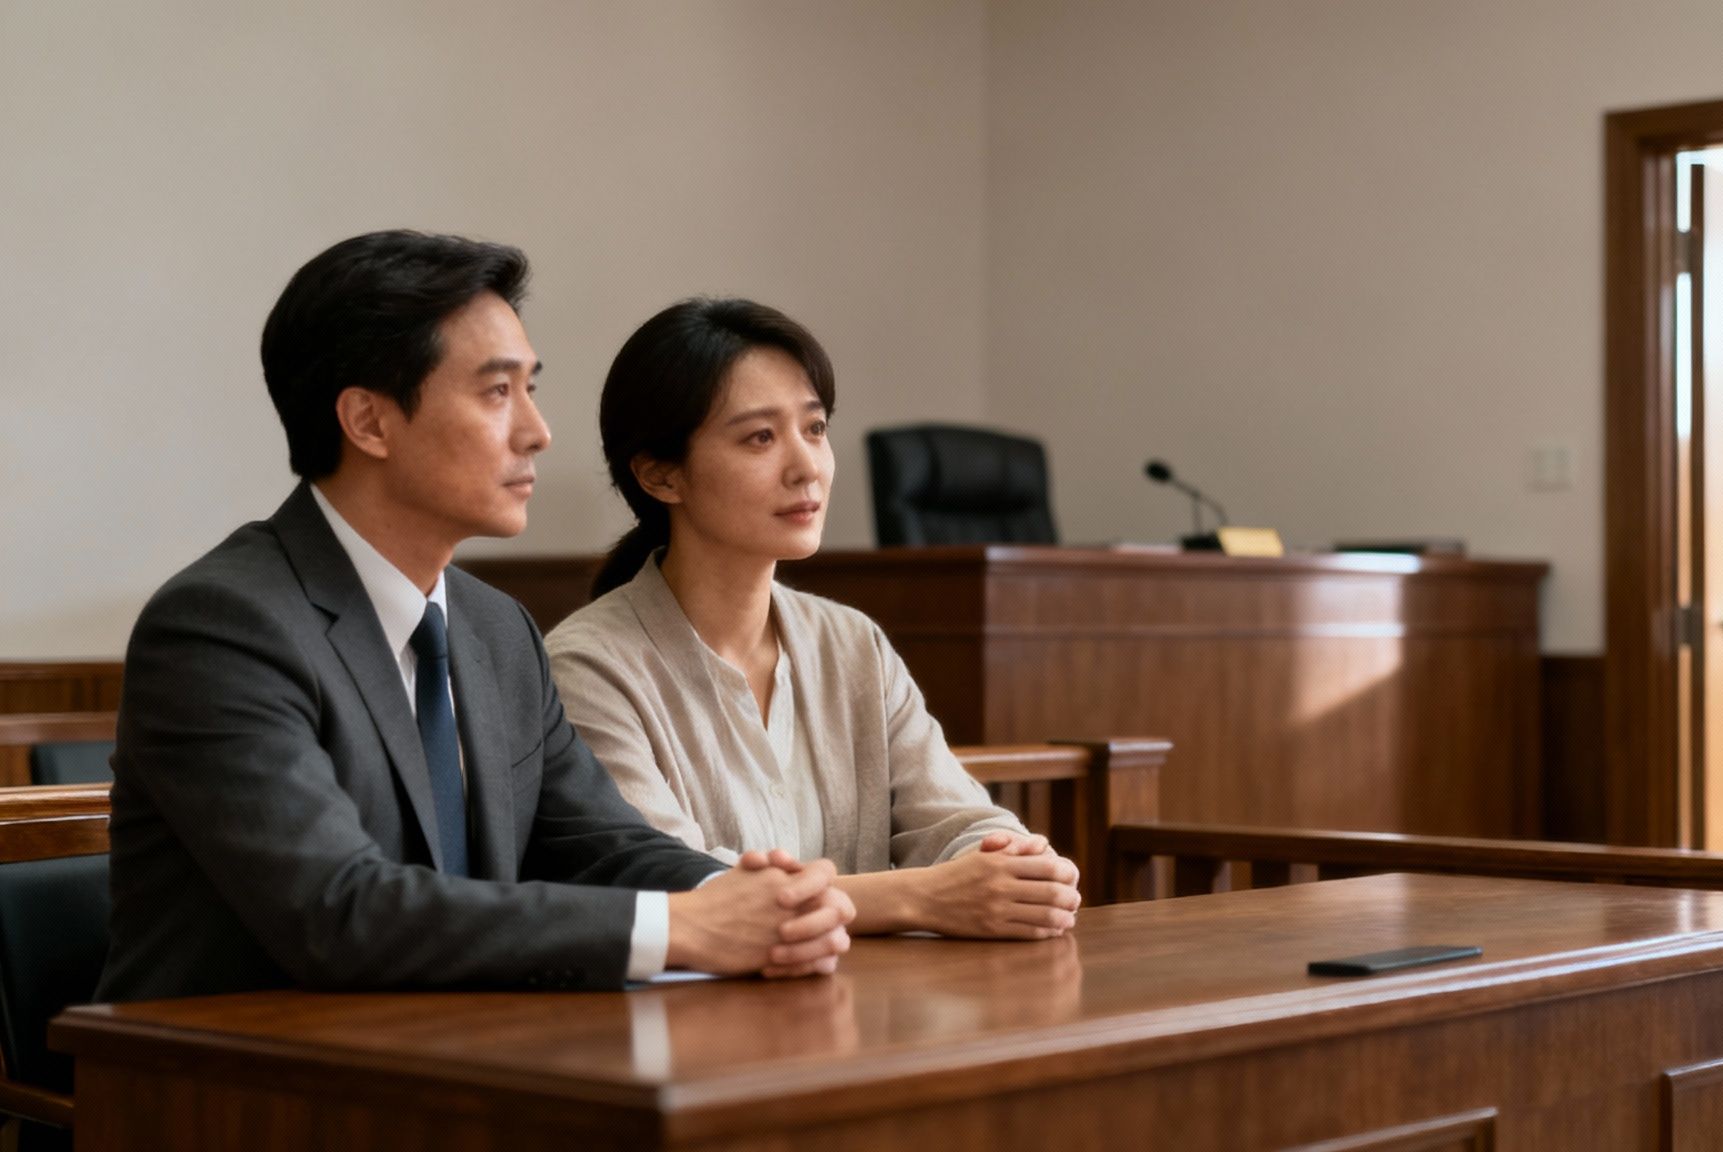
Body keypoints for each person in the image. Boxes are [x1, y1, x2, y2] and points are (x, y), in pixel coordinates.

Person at [97, 232, 854, 1002]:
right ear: (369, 422)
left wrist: (754, 900)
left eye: (531, 389)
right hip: (226, 1092)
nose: (537, 431)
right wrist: (683, 930)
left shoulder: (495, 629)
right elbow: (339, 912)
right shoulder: (223, 627)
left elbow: (601, 847)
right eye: (498, 393)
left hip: (448, 1061)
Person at [545, 298, 1082, 939]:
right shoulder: (586, 665)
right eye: (760, 438)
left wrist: (1013, 865)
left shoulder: (852, 642)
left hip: (867, 1013)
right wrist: (923, 897)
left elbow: (956, 821)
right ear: (661, 475)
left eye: (815, 429)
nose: (807, 468)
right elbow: (675, 884)